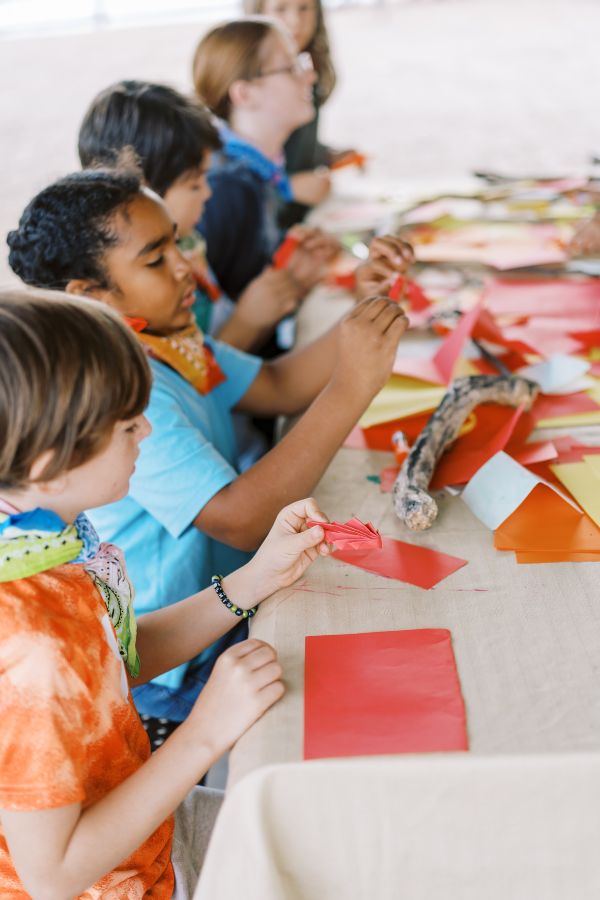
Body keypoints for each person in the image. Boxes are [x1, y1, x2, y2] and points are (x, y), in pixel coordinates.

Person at [7, 168, 409, 736]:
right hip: (179, 663)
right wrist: (351, 388)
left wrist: (365, 311)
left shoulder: (168, 340)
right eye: (154, 258)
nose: (184, 266)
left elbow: (276, 383)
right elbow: (242, 522)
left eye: (179, 242)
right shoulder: (130, 387)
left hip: (203, 617)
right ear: (88, 294)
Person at [0, 287, 331, 897]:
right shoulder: (29, 644)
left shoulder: (41, 538)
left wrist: (255, 578)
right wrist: (205, 731)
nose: (147, 428)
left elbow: (108, 664)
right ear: (49, 463)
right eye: (128, 423)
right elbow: (53, 875)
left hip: (149, 833)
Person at [78, 80, 301, 352]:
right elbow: (187, 379)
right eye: (194, 184)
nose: (207, 193)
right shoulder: (132, 286)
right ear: (143, 192)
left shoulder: (188, 242)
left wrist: (293, 275)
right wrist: (247, 323)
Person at [192, 16, 347, 354]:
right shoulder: (226, 188)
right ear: (245, 93)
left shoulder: (253, 172)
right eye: (292, 66)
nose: (310, 74)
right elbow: (207, 342)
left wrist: (294, 273)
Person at [243, 0, 358, 227]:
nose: (295, 21)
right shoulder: (251, 81)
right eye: (280, 8)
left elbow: (290, 147)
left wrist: (326, 154)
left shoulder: (308, 74)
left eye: (304, 8)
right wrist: (286, 187)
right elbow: (233, 173)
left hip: (300, 225)